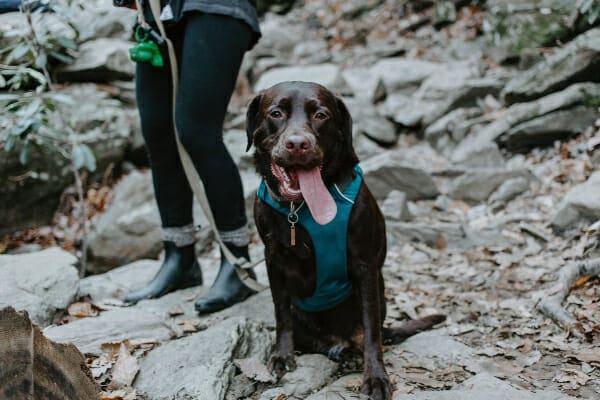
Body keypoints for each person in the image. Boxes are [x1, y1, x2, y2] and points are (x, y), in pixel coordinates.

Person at [119, 0, 261, 314]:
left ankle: (237, 262)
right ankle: (179, 257)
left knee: (197, 131)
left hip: (216, 6)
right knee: (159, 133)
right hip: (157, 10)